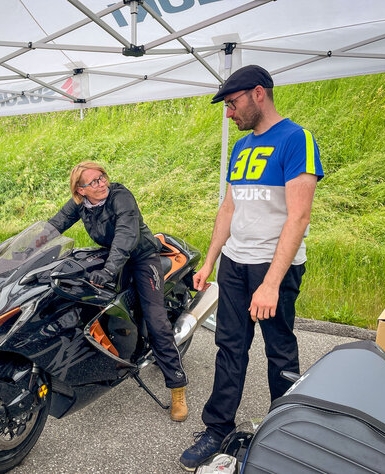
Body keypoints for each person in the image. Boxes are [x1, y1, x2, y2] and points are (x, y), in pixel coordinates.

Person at [180, 65, 324, 470]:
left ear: (258, 93)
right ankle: (217, 427)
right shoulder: (241, 147)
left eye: (232, 103)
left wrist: (272, 283)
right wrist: (210, 260)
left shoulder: (298, 139)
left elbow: (298, 217)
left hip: (274, 267)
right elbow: (229, 207)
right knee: (229, 347)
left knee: (280, 352)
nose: (229, 113)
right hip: (235, 264)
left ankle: (288, 433)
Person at [48, 161, 189, 422]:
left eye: (101, 177)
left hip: (141, 257)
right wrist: (25, 251)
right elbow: (55, 225)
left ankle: (177, 387)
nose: (101, 184)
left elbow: (125, 234)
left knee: (156, 320)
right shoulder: (79, 204)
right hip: (110, 256)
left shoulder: (120, 196)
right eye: (93, 182)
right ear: (80, 191)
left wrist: (110, 270)